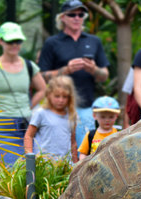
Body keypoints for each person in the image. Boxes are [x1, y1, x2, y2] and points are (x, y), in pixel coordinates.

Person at [38, 0, 109, 147]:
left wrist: (93, 69)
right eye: (72, 14)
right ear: (63, 18)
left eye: (80, 14)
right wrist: (66, 70)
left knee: (84, 152)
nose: (77, 18)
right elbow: (41, 77)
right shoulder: (52, 42)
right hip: (58, 108)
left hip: (86, 107)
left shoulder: (94, 41)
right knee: (58, 150)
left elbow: (105, 76)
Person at [0, 22, 46, 165]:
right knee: (1, 168)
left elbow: (43, 89)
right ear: (1, 41)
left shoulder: (29, 66)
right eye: (10, 41)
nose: (14, 45)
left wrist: (29, 107)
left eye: (17, 41)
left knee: (24, 167)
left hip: (23, 124)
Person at [24, 76, 78, 162]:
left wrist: (75, 163)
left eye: (65, 97)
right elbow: (29, 135)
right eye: (57, 96)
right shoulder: (41, 113)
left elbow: (73, 142)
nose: (61, 100)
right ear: (49, 95)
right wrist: (30, 158)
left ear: (70, 98)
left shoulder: (71, 116)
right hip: (44, 164)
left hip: (65, 165)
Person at [78, 96, 120, 160]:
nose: (107, 120)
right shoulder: (90, 135)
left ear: (116, 116)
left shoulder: (119, 134)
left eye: (111, 117)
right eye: (103, 117)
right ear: (94, 116)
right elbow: (83, 153)